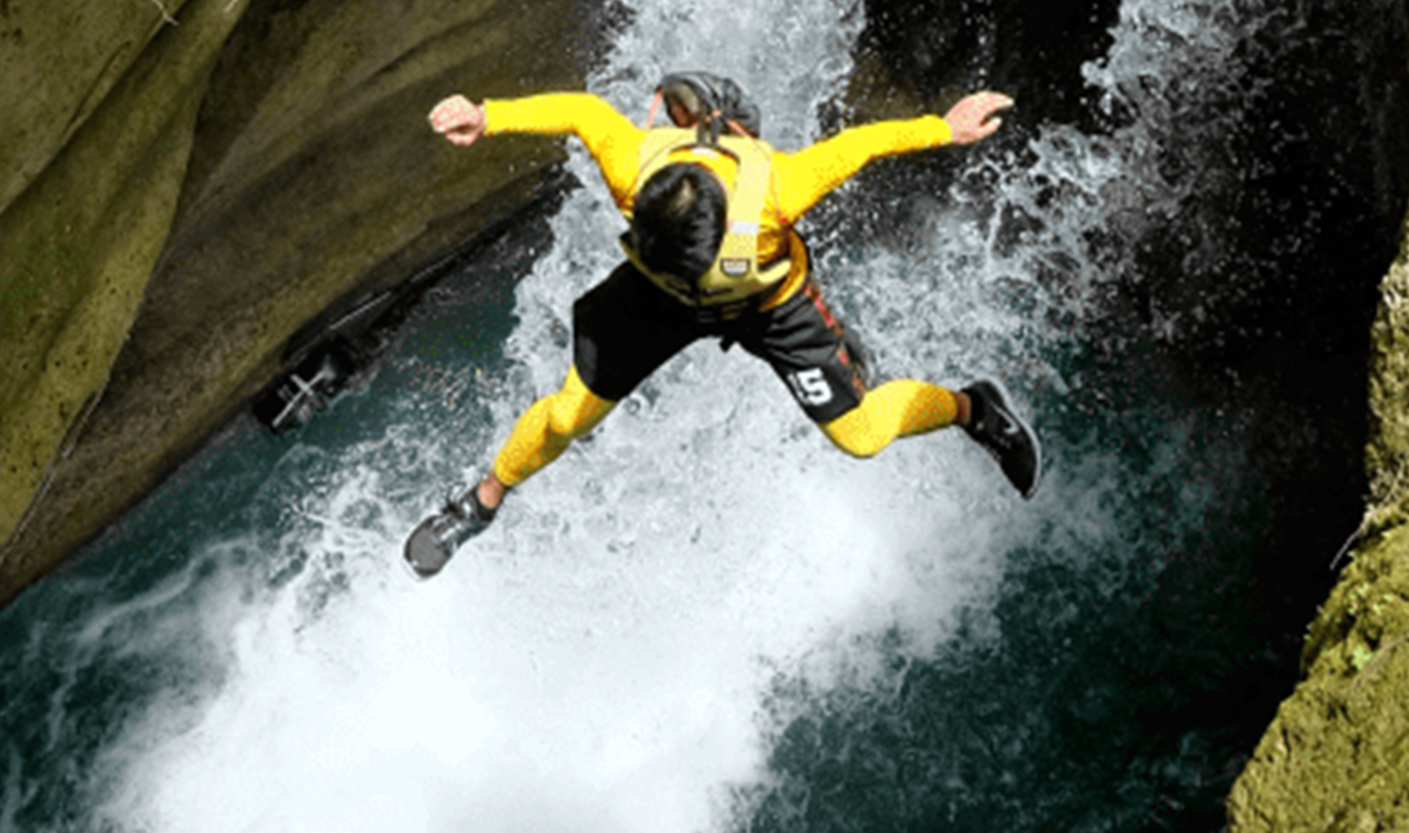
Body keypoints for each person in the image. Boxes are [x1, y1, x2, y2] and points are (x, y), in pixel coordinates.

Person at [403, 69, 1039, 576]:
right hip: (658, 297)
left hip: (770, 306)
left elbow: (860, 145)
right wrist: (488, 117)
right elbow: (581, 111)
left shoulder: (780, 189)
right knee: (569, 415)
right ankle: (478, 504)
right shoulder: (633, 164)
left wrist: (942, 127)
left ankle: (973, 409)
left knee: (861, 434)